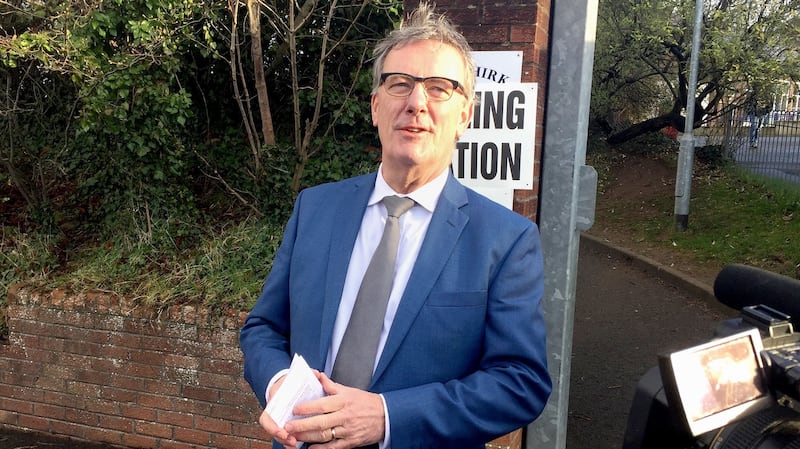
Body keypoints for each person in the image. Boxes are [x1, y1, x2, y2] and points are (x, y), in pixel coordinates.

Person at [239, 3, 552, 448]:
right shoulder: (316, 208)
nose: (416, 103)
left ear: (465, 115)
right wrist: (278, 384)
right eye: (399, 84)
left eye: (440, 88)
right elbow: (264, 327)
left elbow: (520, 382)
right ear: (375, 106)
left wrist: (387, 417)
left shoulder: (505, 239)